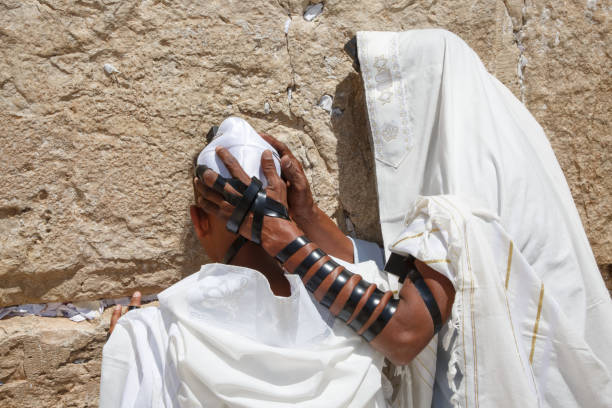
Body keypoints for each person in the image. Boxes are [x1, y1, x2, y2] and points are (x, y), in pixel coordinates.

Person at [195, 29, 612, 407]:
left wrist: (286, 242)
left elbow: (405, 333)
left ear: (429, 104)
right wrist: (307, 216)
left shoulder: (465, 213)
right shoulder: (497, 169)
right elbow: (407, 272)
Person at [100, 117, 392, 407]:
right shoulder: (365, 311)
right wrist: (308, 214)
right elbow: (376, 268)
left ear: (199, 222)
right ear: (289, 212)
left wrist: (129, 356)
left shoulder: (154, 339)